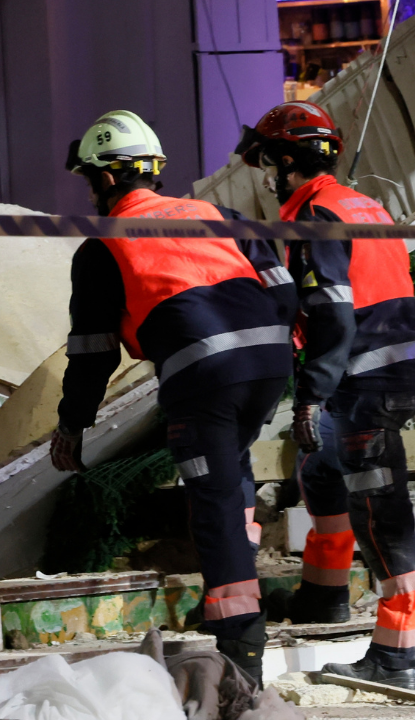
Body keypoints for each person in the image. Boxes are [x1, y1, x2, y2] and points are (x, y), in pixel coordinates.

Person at [50, 110, 295, 685]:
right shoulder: (219, 215)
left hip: (204, 375)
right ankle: (233, 583)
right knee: (229, 472)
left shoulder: (103, 245)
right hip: (268, 362)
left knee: (209, 502)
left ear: (106, 180)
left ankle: (241, 652)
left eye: (89, 181)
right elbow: (281, 292)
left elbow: (92, 352)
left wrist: (71, 424)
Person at [236, 101, 415, 690]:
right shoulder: (360, 204)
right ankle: (323, 597)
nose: (266, 174)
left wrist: (310, 396)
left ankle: (397, 659)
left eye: (269, 160)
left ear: (289, 160)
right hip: (386, 369)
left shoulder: (316, 215)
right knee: (320, 471)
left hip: (365, 378)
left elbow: (332, 316)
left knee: (381, 515)